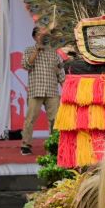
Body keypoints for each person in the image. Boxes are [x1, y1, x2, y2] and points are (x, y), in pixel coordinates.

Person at [21, 23, 64, 155]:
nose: (43, 36)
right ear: (35, 37)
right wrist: (37, 50)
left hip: (52, 91)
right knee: (30, 119)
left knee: (55, 119)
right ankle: (26, 144)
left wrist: (66, 90)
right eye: (40, 34)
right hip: (36, 90)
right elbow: (26, 65)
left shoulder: (54, 52)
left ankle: (53, 145)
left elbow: (60, 73)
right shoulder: (29, 50)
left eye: (44, 34)